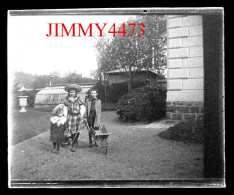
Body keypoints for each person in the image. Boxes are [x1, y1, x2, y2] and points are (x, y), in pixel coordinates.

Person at [63, 84, 85, 152]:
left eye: (74, 92)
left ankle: (74, 143)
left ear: (76, 93)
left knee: (78, 130)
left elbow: (82, 108)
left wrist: (81, 114)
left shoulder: (78, 100)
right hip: (70, 116)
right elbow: (65, 109)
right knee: (72, 130)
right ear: (69, 93)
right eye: (71, 92)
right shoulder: (67, 100)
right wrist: (65, 116)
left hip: (78, 116)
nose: (72, 93)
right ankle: (73, 141)